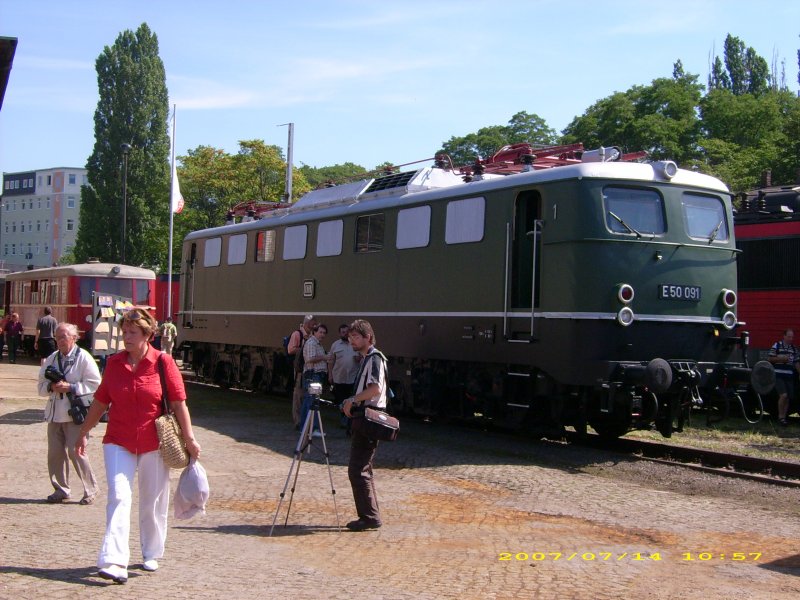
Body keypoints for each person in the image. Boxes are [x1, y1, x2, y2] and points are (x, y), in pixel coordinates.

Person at [75, 309, 201, 584]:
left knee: (152, 501)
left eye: (133, 332)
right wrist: (84, 432)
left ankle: (151, 551)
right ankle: (114, 561)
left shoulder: (163, 363)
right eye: (124, 332)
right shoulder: (114, 363)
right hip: (117, 440)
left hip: (153, 443)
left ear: (148, 335)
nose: (127, 337)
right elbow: (100, 401)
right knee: (119, 497)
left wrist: (190, 438)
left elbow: (179, 403)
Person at [38, 322, 101, 504]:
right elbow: (40, 386)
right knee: (55, 454)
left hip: (76, 415)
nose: (59, 340)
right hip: (55, 413)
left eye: (63, 337)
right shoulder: (52, 358)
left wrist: (71, 387)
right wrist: (51, 387)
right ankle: (61, 489)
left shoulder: (84, 357)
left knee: (77, 452)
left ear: (74, 338)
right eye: (57, 337)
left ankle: (90, 489)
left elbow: (95, 384)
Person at [341, 319, 389, 531]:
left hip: (369, 418)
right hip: (365, 417)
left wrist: (353, 400)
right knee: (363, 469)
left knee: (357, 470)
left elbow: (375, 389)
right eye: (350, 337)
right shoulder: (369, 358)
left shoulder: (374, 359)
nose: (351, 341)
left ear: (368, 337)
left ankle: (369, 517)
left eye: (355, 337)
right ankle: (370, 515)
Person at [301, 323, 331, 437]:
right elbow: (310, 359)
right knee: (312, 402)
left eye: (324, 333)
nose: (322, 335)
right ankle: (312, 429)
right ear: (314, 332)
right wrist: (324, 357)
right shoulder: (312, 343)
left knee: (310, 401)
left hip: (315, 375)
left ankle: (305, 428)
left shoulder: (317, 343)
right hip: (313, 375)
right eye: (320, 332)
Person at [329, 323, 361, 433]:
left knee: (351, 400)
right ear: (340, 333)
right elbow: (331, 361)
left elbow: (362, 358)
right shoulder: (335, 345)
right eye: (343, 332)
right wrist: (330, 375)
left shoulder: (355, 344)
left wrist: (359, 359)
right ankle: (344, 419)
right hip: (339, 378)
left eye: (347, 332)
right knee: (341, 400)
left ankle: (349, 421)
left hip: (352, 378)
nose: (345, 334)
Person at [287, 315, 316, 429]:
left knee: (306, 395)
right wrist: (306, 348)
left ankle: (305, 421)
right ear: (307, 324)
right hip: (300, 370)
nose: (314, 326)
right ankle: (298, 421)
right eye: (313, 324)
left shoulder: (311, 336)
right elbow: (290, 350)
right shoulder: (297, 334)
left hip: (308, 369)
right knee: (298, 395)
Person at [768, 328, 800, 426]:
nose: (791, 339)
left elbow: (796, 363)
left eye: (792, 337)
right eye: (789, 337)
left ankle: (783, 418)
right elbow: (770, 358)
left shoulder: (793, 349)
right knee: (783, 395)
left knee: (788, 397)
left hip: (789, 375)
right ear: (784, 336)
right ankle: (780, 417)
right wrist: (781, 359)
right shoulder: (777, 345)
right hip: (778, 375)